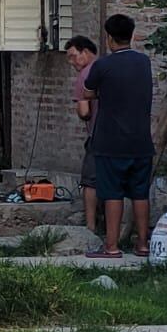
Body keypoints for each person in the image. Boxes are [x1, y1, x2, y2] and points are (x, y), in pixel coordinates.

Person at [83, 14, 155, 258]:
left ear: (109, 38)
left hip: (110, 141)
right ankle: (143, 244)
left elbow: (88, 91)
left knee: (112, 193)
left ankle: (111, 246)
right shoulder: (144, 63)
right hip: (141, 141)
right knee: (140, 193)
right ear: (132, 35)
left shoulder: (102, 65)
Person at [65, 36, 100, 233]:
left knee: (90, 181)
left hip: (97, 135)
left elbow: (85, 112)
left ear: (85, 52)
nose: (72, 63)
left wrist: (80, 110)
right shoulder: (108, 68)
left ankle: (90, 227)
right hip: (122, 135)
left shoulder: (85, 75)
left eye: (73, 57)